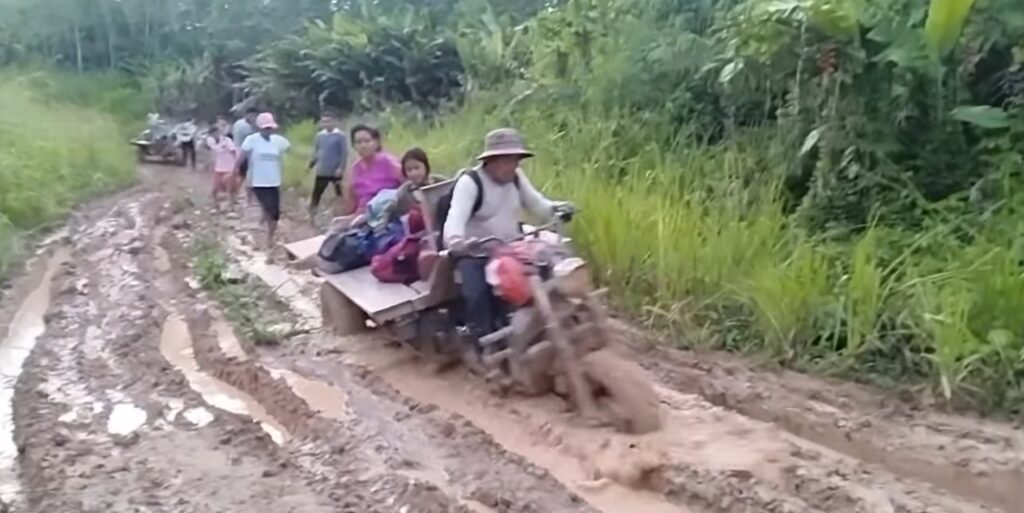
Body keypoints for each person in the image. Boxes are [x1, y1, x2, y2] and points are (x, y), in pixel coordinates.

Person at [442, 128, 568, 344]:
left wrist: (557, 209)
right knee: (477, 295)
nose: (514, 165)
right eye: (508, 160)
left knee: (549, 268)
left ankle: (542, 324)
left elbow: (538, 204)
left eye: (516, 159)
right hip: (477, 252)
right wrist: (457, 242)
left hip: (512, 248)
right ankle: (484, 343)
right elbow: (455, 219)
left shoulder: (515, 177)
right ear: (491, 160)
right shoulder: (470, 183)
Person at [238, 112, 290, 251]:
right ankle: (268, 238)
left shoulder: (278, 141)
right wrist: (234, 171)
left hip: (274, 181)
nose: (268, 130)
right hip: (259, 182)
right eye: (266, 128)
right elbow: (241, 157)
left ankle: (269, 232)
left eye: (270, 128)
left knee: (276, 213)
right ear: (259, 128)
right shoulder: (251, 140)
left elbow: (293, 151)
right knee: (269, 208)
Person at [346, 124, 403, 214]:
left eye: (367, 141)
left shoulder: (389, 163)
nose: (363, 146)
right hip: (362, 214)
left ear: (376, 143)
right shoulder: (355, 169)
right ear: (354, 146)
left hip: (387, 212)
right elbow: (352, 202)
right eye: (358, 142)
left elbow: (408, 186)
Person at [308, 110, 348, 220]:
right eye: (324, 122)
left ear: (334, 121)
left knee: (340, 193)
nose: (326, 124)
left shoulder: (340, 136)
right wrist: (312, 162)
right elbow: (317, 151)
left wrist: (341, 168)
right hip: (322, 170)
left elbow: (344, 154)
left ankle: (343, 213)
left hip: (335, 171)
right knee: (316, 194)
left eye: (328, 121)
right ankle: (312, 214)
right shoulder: (319, 136)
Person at [205, 125, 239, 211]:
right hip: (219, 168)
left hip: (229, 168)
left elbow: (234, 151)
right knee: (215, 189)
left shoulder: (227, 140)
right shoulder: (210, 141)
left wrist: (236, 165)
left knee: (229, 189)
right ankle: (216, 206)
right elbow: (212, 151)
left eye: (216, 132)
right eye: (212, 134)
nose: (215, 135)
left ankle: (231, 207)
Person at [232, 108, 258, 204]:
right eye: (252, 116)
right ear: (247, 115)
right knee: (247, 177)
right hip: (245, 154)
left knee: (242, 176)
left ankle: (234, 195)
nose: (254, 118)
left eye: (255, 116)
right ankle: (249, 199)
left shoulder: (238, 123)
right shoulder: (246, 127)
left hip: (238, 151)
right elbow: (251, 141)